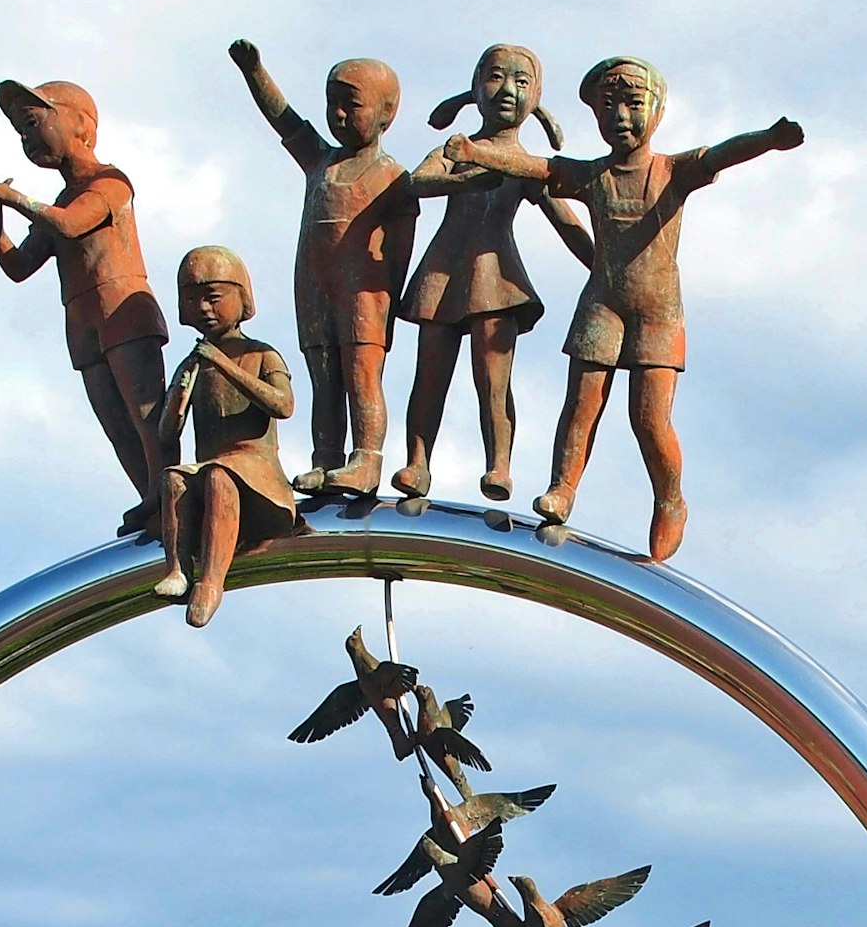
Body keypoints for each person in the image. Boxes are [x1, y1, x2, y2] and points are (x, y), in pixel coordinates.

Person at [444, 55, 802, 564]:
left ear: (655, 111)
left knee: (649, 419)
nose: (621, 117)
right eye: (608, 107)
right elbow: (541, 168)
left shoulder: (672, 171)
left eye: (634, 105)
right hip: (603, 304)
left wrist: (768, 138)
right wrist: (478, 152)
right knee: (582, 404)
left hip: (658, 313)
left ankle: (669, 499)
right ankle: (562, 489)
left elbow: (720, 155)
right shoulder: (594, 175)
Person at [392, 43, 591, 507]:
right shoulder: (457, 148)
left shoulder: (526, 166)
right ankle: (417, 462)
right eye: (497, 77)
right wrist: (463, 178)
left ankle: (499, 463)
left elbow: (566, 221)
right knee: (429, 375)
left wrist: (606, 268)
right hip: (442, 275)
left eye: (522, 82)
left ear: (535, 96)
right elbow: (416, 182)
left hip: (496, 278)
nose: (507, 90)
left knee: (493, 377)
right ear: (477, 87)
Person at [0, 79, 172, 512]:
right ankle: (148, 497)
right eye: (22, 131)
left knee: (147, 415)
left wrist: (13, 197)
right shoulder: (61, 198)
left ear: (79, 123)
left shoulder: (111, 182)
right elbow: (20, 266)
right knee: (115, 421)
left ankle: (168, 494)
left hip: (122, 310)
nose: (28, 137)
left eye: (34, 122)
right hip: (82, 319)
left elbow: (72, 224)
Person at [228, 40, 417, 499]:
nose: (338, 116)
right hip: (314, 287)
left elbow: (402, 245)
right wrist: (255, 71)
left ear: (386, 113)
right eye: (332, 105)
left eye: (351, 105)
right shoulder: (320, 160)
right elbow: (284, 118)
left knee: (360, 375)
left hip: (365, 292)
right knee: (323, 376)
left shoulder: (393, 177)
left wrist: (391, 295)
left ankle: (366, 459)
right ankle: (326, 458)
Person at [151, 245, 300, 629]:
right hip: (211, 466)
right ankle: (178, 568)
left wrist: (224, 365)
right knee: (174, 478)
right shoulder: (193, 362)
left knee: (220, 476)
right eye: (193, 299)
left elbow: (282, 405)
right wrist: (181, 395)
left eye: (213, 298)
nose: (204, 308)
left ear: (240, 296)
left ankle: (211, 583)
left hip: (257, 473)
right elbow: (168, 433)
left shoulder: (262, 355)